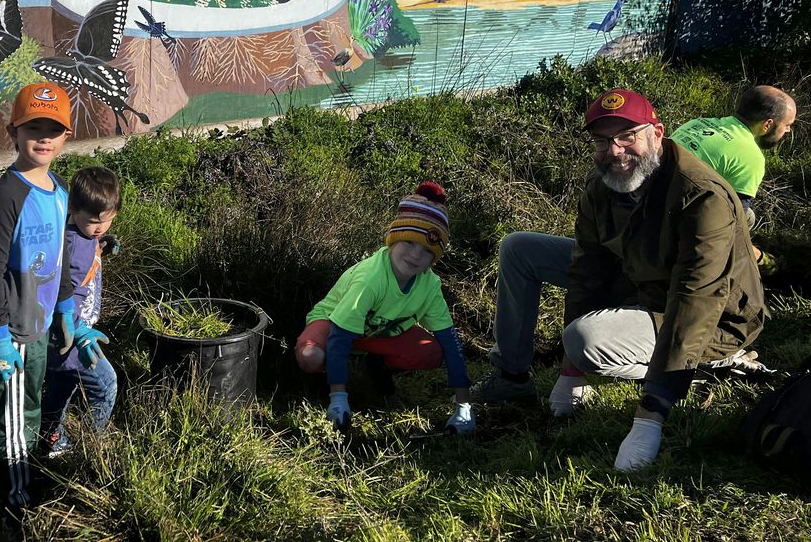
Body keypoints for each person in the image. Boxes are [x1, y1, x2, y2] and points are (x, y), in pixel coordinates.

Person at [471, 89, 766, 471]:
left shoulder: (701, 196)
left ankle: (701, 365)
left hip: (716, 316)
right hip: (640, 280)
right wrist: (569, 371)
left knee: (585, 339)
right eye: (602, 140)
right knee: (519, 248)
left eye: (628, 135)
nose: (614, 150)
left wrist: (650, 415)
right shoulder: (603, 185)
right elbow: (586, 268)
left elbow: (697, 297)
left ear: (657, 134)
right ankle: (512, 375)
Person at [0, 82, 103, 522]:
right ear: (14, 132)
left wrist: (67, 309)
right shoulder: (8, 194)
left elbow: (64, 257)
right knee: (9, 413)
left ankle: (24, 473)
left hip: (41, 325)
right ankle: (14, 497)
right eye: (34, 128)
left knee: (29, 403)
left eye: (53, 128)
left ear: (66, 136)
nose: (43, 138)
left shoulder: (61, 189)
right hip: (11, 330)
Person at [295, 182, 476, 433]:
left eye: (427, 252)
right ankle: (323, 382)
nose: (415, 256)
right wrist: (339, 398)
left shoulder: (430, 286)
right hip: (334, 324)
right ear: (394, 240)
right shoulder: (371, 279)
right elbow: (339, 335)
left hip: (375, 335)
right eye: (410, 243)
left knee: (432, 353)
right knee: (311, 356)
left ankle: (373, 362)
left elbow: (450, 342)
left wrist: (464, 407)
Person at [40, 166, 122, 457]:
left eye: (108, 222)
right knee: (105, 385)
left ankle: (49, 437)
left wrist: (99, 245)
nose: (101, 228)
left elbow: (83, 265)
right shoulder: (72, 245)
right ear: (72, 208)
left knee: (63, 383)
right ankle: (88, 448)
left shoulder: (83, 236)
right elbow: (56, 293)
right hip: (72, 333)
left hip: (73, 333)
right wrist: (79, 333)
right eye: (94, 223)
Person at [671, 85, 796, 265]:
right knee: (740, 224)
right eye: (787, 125)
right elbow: (732, 226)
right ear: (767, 124)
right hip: (678, 223)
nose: (788, 131)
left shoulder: (696, 123)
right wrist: (764, 260)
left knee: (750, 217)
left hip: (655, 198)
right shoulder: (752, 157)